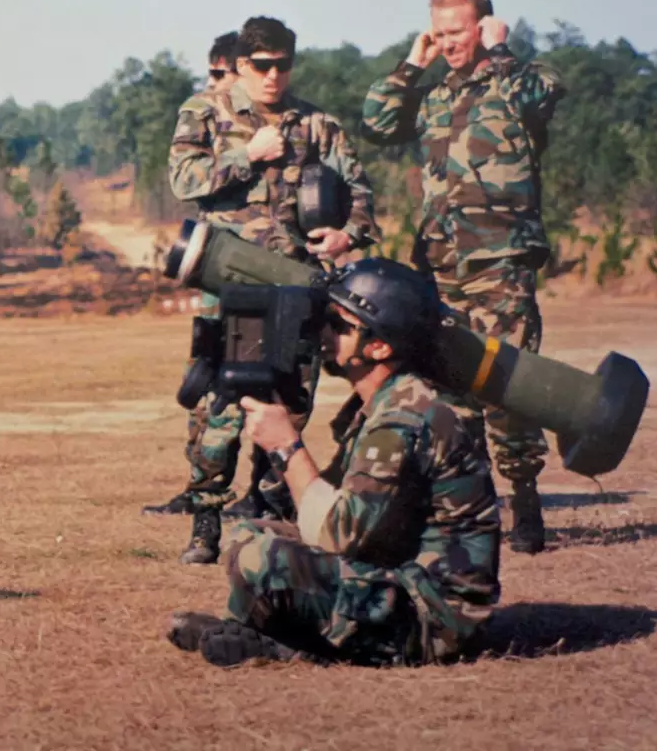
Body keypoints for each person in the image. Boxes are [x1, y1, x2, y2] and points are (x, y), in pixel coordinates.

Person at [167, 257, 502, 668]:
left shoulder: (404, 418)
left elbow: (337, 534)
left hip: (435, 618)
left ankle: (280, 647)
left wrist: (288, 447)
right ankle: (249, 633)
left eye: (339, 325)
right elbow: (322, 508)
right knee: (250, 535)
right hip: (396, 573)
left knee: (264, 558)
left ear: (379, 345)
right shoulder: (382, 404)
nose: (324, 333)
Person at [149, 18, 380, 565]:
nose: (273, 76)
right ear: (242, 65)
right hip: (230, 286)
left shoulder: (317, 123)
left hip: (298, 286)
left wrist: (350, 232)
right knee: (220, 404)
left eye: (283, 64)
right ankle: (206, 520)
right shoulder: (204, 111)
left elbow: (360, 187)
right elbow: (183, 180)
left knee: (290, 403)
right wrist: (246, 154)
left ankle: (273, 515)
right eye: (262, 66)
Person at [358, 0, 566, 554]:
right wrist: (410, 63)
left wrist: (501, 51)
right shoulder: (434, 96)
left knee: (508, 385)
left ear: (485, 26)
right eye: (440, 33)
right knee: (448, 386)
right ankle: (468, 507)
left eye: (459, 31)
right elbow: (376, 123)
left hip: (500, 260)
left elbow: (540, 98)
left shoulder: (519, 79)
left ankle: (524, 502)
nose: (449, 43)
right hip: (440, 264)